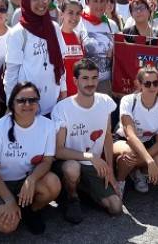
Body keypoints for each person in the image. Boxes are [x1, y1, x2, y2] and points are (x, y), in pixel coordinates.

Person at [0, 82, 60, 234]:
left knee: (53, 184)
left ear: (38, 103)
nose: (27, 104)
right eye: (21, 100)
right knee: (8, 227)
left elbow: (47, 161)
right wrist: (9, 199)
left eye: (32, 100)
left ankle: (30, 211)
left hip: (22, 181)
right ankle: (0, 209)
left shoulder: (48, 126)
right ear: (12, 103)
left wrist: (31, 179)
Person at [52, 58, 121, 223]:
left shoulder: (105, 102)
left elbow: (107, 137)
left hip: (93, 165)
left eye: (94, 78)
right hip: (69, 162)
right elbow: (58, 150)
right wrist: (89, 156)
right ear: (75, 81)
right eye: (85, 78)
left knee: (116, 207)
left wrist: (110, 168)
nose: (90, 83)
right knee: (72, 168)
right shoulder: (62, 108)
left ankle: (83, 187)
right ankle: (71, 197)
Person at [4, 0, 66, 117]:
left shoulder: (53, 27)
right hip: (27, 103)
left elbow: (60, 62)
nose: (41, 2)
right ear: (26, 1)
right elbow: (11, 73)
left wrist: (63, 90)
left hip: (52, 101)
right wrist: (11, 103)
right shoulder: (18, 32)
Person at [113, 67, 158, 194]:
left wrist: (145, 160)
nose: (152, 87)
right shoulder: (128, 101)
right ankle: (120, 182)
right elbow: (130, 135)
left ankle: (135, 171)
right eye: (147, 83)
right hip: (124, 140)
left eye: (156, 83)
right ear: (139, 84)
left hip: (147, 142)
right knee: (129, 154)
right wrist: (149, 160)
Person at [80, 0, 119, 95]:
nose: (99, 5)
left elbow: (120, 49)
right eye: (95, 1)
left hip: (105, 83)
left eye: (102, 1)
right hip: (84, 83)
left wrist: (114, 50)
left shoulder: (111, 25)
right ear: (87, 2)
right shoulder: (79, 22)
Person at [59, 0, 85, 97]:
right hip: (60, 98)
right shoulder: (55, 37)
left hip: (78, 97)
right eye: (70, 12)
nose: (74, 17)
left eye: (78, 13)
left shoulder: (79, 37)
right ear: (62, 14)